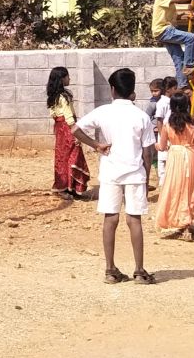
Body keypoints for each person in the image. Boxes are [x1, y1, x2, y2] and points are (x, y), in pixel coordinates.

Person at [74, 68, 155, 285]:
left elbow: (76, 129)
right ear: (132, 91)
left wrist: (96, 145)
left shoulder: (103, 112)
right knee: (134, 219)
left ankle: (110, 270)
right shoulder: (142, 116)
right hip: (135, 172)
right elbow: (148, 152)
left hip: (110, 171)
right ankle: (139, 271)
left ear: (112, 90)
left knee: (110, 219)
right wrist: (147, 178)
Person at [155, 95, 194, 241]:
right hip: (190, 157)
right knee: (189, 190)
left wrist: (154, 145)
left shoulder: (167, 126)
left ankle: (180, 222)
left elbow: (162, 147)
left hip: (175, 158)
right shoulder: (193, 125)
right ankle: (187, 224)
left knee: (175, 189)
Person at [46, 66, 90, 200]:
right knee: (74, 156)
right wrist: (76, 132)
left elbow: (53, 114)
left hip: (60, 129)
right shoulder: (64, 97)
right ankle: (69, 187)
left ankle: (66, 187)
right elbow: (69, 117)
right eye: (67, 76)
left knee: (62, 157)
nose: (69, 79)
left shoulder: (53, 96)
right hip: (67, 128)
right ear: (62, 79)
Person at [152, 0, 194, 84]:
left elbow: (167, 15)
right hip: (164, 30)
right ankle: (189, 65)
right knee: (191, 38)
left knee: (179, 59)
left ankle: (182, 85)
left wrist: (180, 16)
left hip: (161, 31)